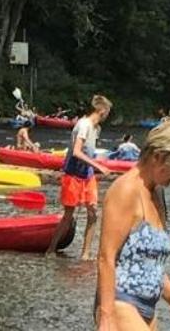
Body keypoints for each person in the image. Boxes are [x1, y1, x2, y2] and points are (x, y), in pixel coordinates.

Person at [95, 119, 170, 331]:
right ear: (158, 156)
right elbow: (106, 257)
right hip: (120, 303)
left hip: (148, 308)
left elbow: (152, 266)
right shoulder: (125, 190)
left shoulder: (158, 193)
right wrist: (106, 319)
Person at [51, 94, 114, 258]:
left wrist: (99, 163)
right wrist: (98, 166)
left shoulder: (96, 128)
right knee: (68, 215)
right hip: (73, 174)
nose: (107, 115)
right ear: (101, 110)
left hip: (88, 175)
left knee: (93, 213)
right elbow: (77, 152)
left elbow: (89, 152)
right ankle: (50, 250)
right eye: (107, 111)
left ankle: (85, 254)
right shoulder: (84, 125)